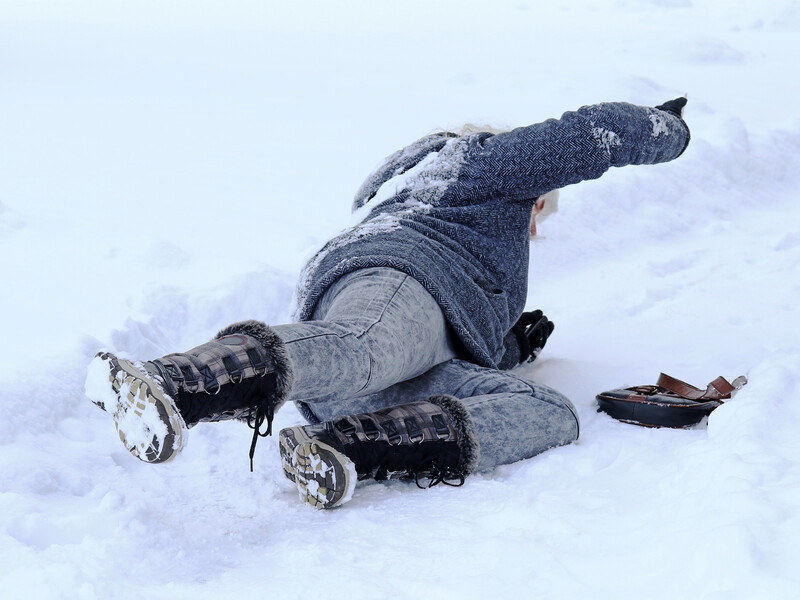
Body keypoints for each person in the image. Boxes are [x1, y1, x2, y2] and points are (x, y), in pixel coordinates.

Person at [86, 97, 690, 508]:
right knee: (365, 346)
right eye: (539, 209)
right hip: (398, 277)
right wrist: (665, 130)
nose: (533, 229)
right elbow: (583, 137)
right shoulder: (476, 165)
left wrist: (507, 349)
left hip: (374, 370)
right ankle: (177, 381)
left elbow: (439, 341)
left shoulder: (456, 216)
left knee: (548, 412)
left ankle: (349, 447)